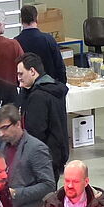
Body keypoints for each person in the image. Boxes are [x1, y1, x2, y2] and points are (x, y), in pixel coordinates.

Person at [16, 52, 69, 181]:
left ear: (33, 72)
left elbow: (36, 131)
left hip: (42, 157)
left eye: (21, 74)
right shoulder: (53, 89)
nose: (18, 78)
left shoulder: (38, 96)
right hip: (55, 154)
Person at [15, 5, 67, 84]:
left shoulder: (15, 42)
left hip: (26, 89)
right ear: (37, 18)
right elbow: (60, 67)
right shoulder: (49, 39)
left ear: (21, 20)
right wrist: (61, 87)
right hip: (48, 88)